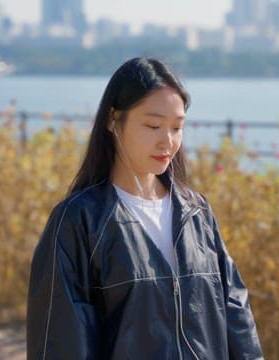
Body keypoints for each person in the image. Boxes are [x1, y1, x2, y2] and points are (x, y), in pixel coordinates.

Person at [27, 57, 263, 359]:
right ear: (113, 120)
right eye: (153, 125)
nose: (167, 141)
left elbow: (235, 313)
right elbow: (60, 341)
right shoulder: (79, 220)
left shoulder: (197, 213)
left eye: (177, 128)